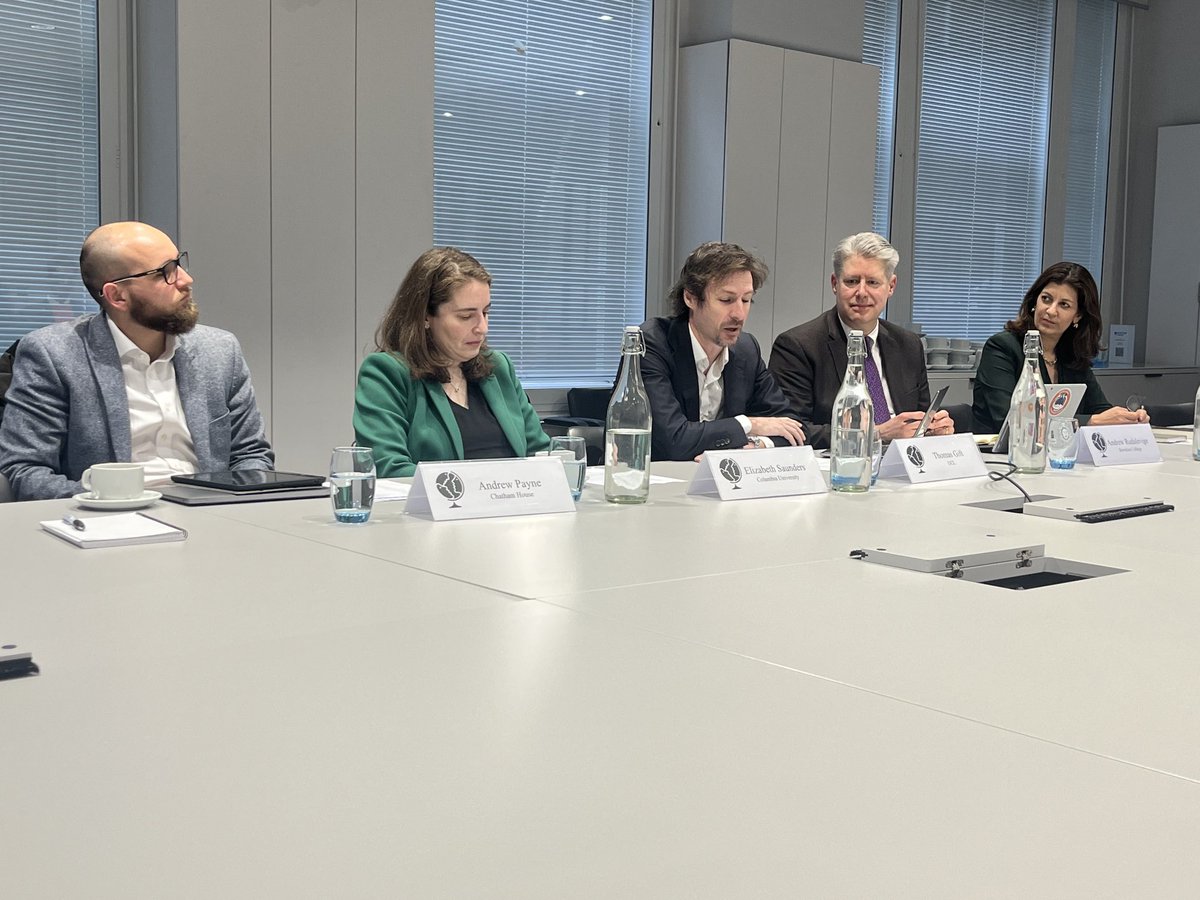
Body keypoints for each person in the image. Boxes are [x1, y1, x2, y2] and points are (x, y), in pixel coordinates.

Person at [0, 222, 274, 501]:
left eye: (179, 263)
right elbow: (25, 470)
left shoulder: (219, 350)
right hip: (111, 521)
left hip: (213, 513)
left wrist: (240, 501)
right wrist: (112, 501)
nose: (185, 279)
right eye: (165, 272)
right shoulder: (55, 354)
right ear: (117, 296)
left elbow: (250, 454)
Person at [353, 247, 550, 477]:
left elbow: (541, 453)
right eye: (466, 316)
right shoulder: (386, 373)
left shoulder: (499, 367)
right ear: (425, 316)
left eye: (486, 313)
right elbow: (390, 469)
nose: (482, 328)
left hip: (515, 508)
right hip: (437, 511)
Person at [768, 232, 952, 449]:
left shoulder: (908, 344)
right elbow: (793, 431)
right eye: (852, 281)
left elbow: (918, 417)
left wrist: (931, 428)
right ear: (835, 283)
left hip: (904, 463)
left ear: (891, 286)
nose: (862, 292)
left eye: (873, 282)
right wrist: (876, 434)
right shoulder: (798, 346)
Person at [638, 241, 805, 461]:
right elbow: (672, 440)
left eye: (746, 300)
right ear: (690, 298)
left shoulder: (746, 350)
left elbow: (791, 426)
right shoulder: (652, 343)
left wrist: (757, 444)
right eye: (726, 300)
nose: (739, 314)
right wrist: (749, 424)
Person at [972, 261, 1148, 433]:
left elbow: (1100, 410)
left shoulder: (1072, 356)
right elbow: (1010, 422)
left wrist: (1126, 419)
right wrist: (1090, 422)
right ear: (1035, 302)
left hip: (1057, 456)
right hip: (999, 457)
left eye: (1064, 305)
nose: (1050, 310)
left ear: (1078, 316)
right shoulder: (1003, 347)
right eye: (1046, 299)